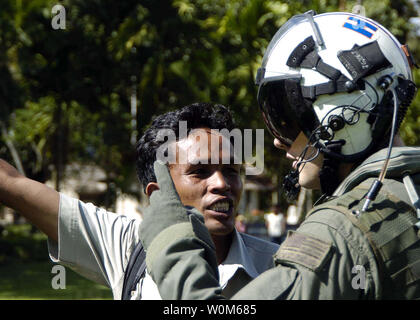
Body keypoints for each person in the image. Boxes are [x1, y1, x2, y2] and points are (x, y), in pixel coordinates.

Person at [136, 11, 420, 299]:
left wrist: (171, 241)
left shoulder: (343, 233)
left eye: (286, 121)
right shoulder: (407, 197)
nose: (277, 141)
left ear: (343, 118)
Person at [0, 102, 279, 299]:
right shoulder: (128, 246)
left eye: (231, 171)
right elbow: (13, 184)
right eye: (200, 172)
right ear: (158, 193)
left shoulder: (278, 269)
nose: (222, 184)